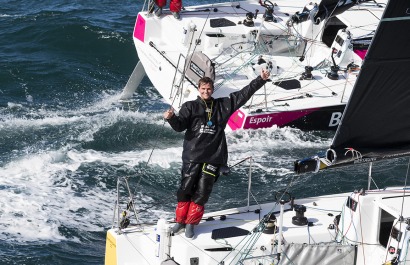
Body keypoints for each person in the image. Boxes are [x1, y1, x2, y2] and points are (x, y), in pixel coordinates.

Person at [163, 69, 270, 238]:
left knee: (203, 192)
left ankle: (191, 224)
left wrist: (261, 80)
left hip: (213, 156)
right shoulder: (190, 106)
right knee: (185, 189)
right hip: (192, 155)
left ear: (213, 90)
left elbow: (243, 94)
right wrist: (171, 118)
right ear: (199, 89)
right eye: (203, 89)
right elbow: (179, 126)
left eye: (209, 89)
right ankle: (180, 222)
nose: (206, 92)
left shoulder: (222, 105)